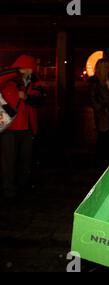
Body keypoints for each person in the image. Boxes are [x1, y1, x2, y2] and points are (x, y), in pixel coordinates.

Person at [0, 55, 45, 200]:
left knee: (26, 161)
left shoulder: (34, 82)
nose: (28, 72)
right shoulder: (7, 80)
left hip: (28, 129)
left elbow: (41, 100)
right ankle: (9, 191)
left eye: (31, 70)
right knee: (9, 162)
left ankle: (23, 188)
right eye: (25, 69)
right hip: (9, 129)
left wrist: (27, 97)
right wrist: (16, 71)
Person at [88, 58, 109, 167]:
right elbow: (93, 100)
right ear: (101, 68)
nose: (108, 69)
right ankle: (99, 163)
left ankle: (107, 163)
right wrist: (102, 109)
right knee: (103, 140)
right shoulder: (95, 82)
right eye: (106, 67)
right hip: (103, 116)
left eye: (108, 66)